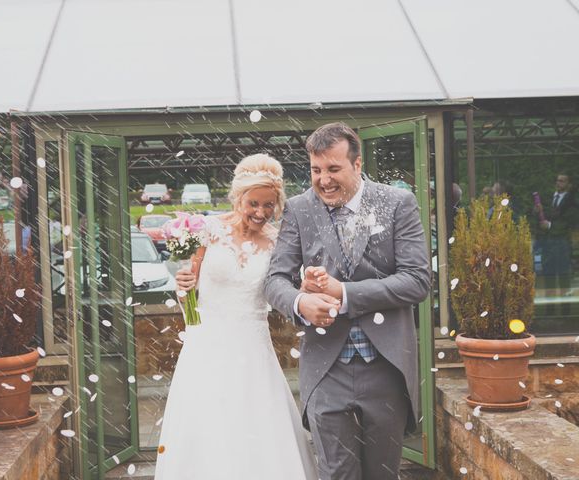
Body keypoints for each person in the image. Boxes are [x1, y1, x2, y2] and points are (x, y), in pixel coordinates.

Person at [265, 122, 431, 479]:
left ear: (357, 165)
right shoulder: (298, 209)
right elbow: (275, 279)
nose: (323, 180)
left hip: (386, 367)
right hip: (326, 369)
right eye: (316, 170)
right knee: (336, 473)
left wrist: (345, 293)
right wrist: (299, 303)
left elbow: (417, 280)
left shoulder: (397, 203)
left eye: (333, 169)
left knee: (382, 473)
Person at [154, 154, 317, 480]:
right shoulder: (208, 231)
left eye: (269, 205)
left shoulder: (278, 241)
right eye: (253, 203)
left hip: (253, 347)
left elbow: (286, 285)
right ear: (238, 197)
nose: (260, 212)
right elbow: (190, 289)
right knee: (207, 421)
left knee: (256, 420)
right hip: (206, 343)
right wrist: (183, 286)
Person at [534, 173, 578, 302]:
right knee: (549, 270)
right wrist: (537, 212)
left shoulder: (571, 201)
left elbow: (569, 220)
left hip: (562, 241)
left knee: (563, 269)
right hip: (548, 242)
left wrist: (550, 225)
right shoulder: (551, 198)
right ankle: (550, 298)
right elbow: (544, 215)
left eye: (562, 181)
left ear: (568, 184)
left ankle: (565, 299)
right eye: (558, 180)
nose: (559, 183)